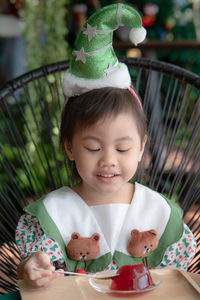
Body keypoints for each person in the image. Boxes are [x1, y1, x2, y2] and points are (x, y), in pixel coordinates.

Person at [15, 3, 196, 288]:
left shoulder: (156, 211)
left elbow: (176, 281)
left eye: (122, 149)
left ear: (140, 148)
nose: (108, 160)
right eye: (93, 148)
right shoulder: (58, 212)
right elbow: (34, 266)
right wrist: (32, 267)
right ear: (70, 148)